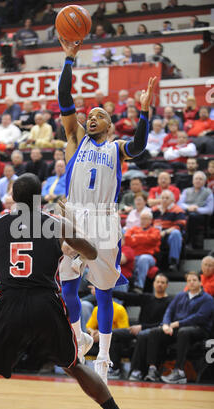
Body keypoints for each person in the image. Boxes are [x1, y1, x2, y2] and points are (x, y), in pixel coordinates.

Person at [0, 173, 141, 409]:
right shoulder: (56, 223)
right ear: (40, 196)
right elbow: (91, 252)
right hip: (45, 302)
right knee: (74, 364)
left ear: (14, 197)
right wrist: (72, 240)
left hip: (11, 302)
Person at [57, 37, 157, 383]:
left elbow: (141, 145)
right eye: (91, 115)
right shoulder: (75, 139)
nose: (93, 118)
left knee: (103, 290)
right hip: (74, 215)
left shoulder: (116, 148)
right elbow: (66, 99)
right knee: (66, 282)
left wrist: (144, 111)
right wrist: (69, 59)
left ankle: (103, 354)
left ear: (111, 125)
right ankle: (78, 337)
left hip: (103, 219)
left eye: (101, 116)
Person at [144, 271, 214, 384]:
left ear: (200, 282)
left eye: (194, 280)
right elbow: (169, 311)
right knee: (155, 332)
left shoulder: (208, 299)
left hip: (199, 329)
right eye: (189, 280)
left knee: (183, 331)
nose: (191, 282)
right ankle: (152, 369)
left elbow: (199, 317)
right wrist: (166, 325)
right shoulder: (181, 295)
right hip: (178, 328)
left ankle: (179, 371)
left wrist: (178, 323)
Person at [109, 273, 173, 379]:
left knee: (142, 335)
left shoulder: (169, 302)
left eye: (162, 282)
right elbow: (128, 296)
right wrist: (107, 292)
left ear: (167, 285)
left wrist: (142, 327)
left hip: (155, 332)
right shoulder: (147, 297)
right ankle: (115, 368)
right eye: (157, 282)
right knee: (114, 334)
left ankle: (136, 371)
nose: (159, 284)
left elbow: (164, 323)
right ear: (153, 284)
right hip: (138, 329)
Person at [124, 211, 161, 293]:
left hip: (148, 256)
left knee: (143, 259)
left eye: (145, 219)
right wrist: (144, 238)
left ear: (150, 220)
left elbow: (152, 239)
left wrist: (135, 238)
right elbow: (127, 239)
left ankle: (139, 286)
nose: (143, 221)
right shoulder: (133, 229)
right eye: (142, 219)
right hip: (134, 256)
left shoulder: (155, 231)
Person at [152, 190, 187, 271]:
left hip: (169, 234)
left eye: (167, 198)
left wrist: (165, 232)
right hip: (155, 233)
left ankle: (173, 262)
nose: (164, 200)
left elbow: (180, 226)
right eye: (162, 198)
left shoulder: (178, 210)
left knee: (176, 233)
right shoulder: (155, 210)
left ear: (172, 200)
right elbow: (148, 223)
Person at [178, 171, 214, 249]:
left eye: (200, 179)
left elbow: (210, 210)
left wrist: (197, 209)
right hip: (186, 212)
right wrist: (188, 207)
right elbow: (179, 204)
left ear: (204, 182)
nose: (198, 180)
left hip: (200, 216)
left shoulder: (208, 192)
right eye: (196, 179)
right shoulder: (186, 191)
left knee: (193, 216)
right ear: (193, 181)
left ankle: (188, 241)